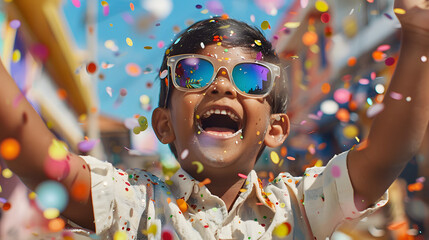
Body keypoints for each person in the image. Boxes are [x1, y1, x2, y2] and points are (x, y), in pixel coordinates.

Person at [1, 0, 428, 239]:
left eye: (250, 77)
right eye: (193, 72)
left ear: (276, 128)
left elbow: (383, 158)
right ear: (164, 124)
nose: (222, 87)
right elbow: (43, 163)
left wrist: (420, 36)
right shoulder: (130, 202)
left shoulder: (301, 204)